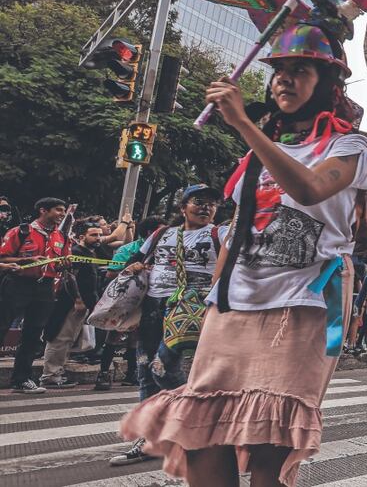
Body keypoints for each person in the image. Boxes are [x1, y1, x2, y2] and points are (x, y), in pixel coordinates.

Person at [119, 20, 367, 487]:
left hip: (303, 305)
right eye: (278, 70)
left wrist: (242, 124)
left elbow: (311, 187)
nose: (284, 79)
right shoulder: (259, 150)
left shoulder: (352, 145)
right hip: (232, 305)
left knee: (267, 445)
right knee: (202, 435)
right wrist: (209, 302)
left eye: (301, 70)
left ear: (329, 85)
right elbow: (237, 229)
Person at [109, 186, 227, 466]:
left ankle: (198, 417)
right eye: (199, 202)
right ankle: (152, 438)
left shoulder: (220, 234)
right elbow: (136, 260)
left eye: (212, 205)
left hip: (192, 310)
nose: (206, 208)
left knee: (162, 368)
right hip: (153, 308)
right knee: (144, 370)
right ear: (182, 206)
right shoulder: (162, 234)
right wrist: (133, 268)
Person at [0, 197, 71, 394]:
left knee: (33, 334)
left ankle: (21, 379)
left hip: (45, 288)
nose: (61, 214)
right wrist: (28, 260)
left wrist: (63, 264)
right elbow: (3, 258)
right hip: (18, 284)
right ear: (43, 210)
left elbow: (61, 262)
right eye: (58, 210)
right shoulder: (21, 231)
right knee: (2, 326)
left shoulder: (62, 237)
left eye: (63, 210)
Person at [97, 216, 166, 390]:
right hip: (127, 298)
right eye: (162, 229)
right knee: (115, 333)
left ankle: (132, 373)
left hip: (150, 299)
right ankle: (103, 373)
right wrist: (134, 269)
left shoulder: (166, 250)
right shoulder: (129, 249)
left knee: (137, 336)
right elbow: (111, 274)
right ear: (151, 232)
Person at [39, 220, 105, 388]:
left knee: (68, 340)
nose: (98, 238)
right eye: (94, 235)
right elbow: (69, 277)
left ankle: (57, 372)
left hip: (83, 304)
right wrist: (78, 299)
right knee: (60, 338)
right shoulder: (76, 252)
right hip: (69, 304)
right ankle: (50, 376)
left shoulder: (89, 253)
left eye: (99, 234)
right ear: (82, 236)